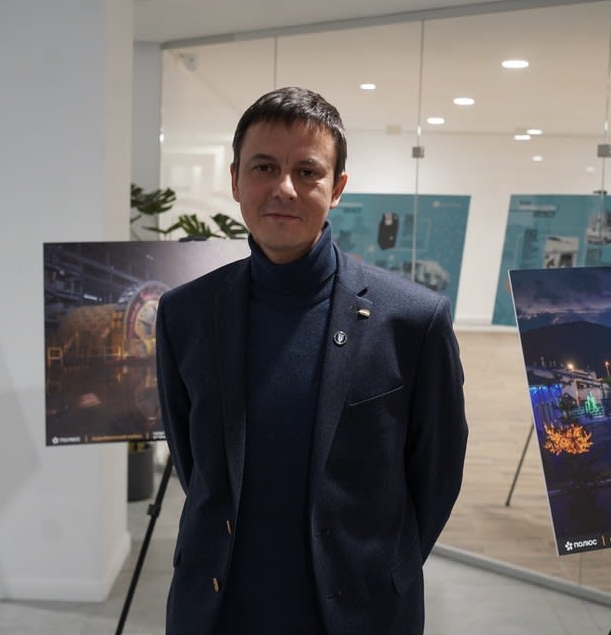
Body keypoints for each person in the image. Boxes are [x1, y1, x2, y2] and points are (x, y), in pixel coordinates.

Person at [155, 86, 468, 635]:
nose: (284, 188)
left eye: (307, 172)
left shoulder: (413, 320)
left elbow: (436, 475)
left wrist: (381, 566)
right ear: (235, 180)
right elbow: (194, 463)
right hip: (217, 610)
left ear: (337, 187)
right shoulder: (187, 314)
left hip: (359, 610)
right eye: (264, 167)